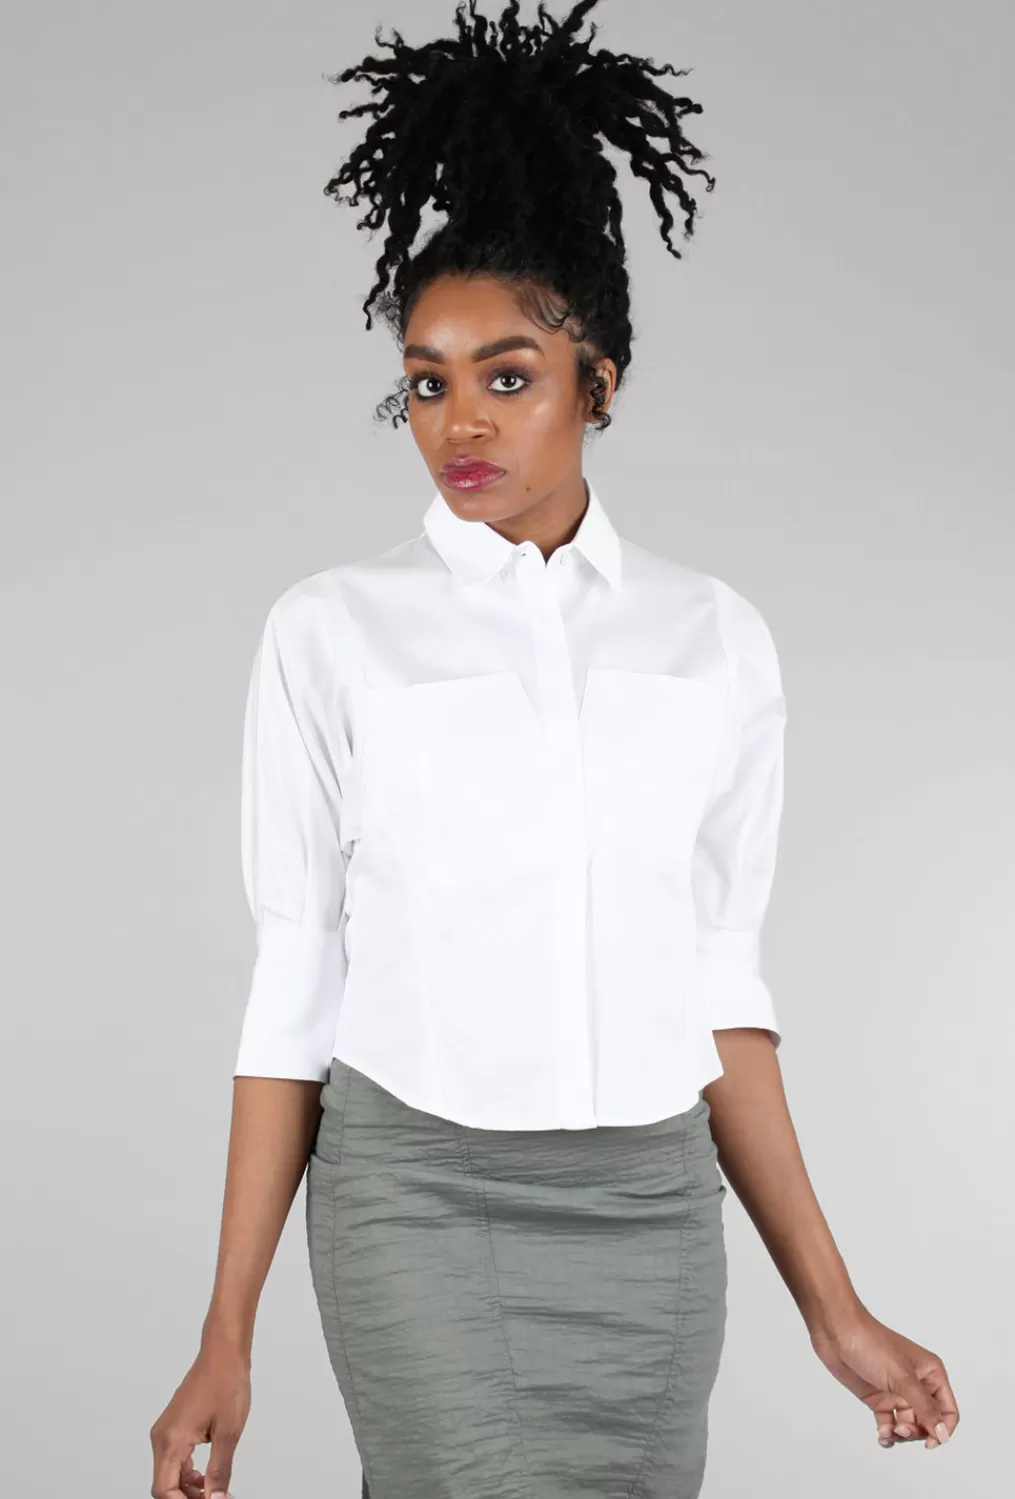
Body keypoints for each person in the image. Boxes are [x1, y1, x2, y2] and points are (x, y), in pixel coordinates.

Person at [149, 3, 959, 1496]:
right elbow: (295, 984)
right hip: (417, 1191)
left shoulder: (712, 636)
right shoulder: (331, 629)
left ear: (600, 378)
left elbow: (721, 991)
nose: (459, 420)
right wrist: (225, 1334)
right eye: (428, 380)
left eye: (507, 375)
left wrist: (833, 1311)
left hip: (651, 1208)